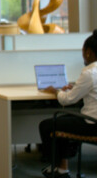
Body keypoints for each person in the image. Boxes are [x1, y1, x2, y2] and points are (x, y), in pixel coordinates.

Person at [38, 30, 97, 178]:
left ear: (88, 52)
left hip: (92, 124)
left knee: (47, 125)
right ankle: (61, 168)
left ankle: (57, 167)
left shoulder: (89, 72)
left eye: (83, 51)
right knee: (63, 120)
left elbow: (67, 100)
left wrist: (55, 91)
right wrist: (76, 88)